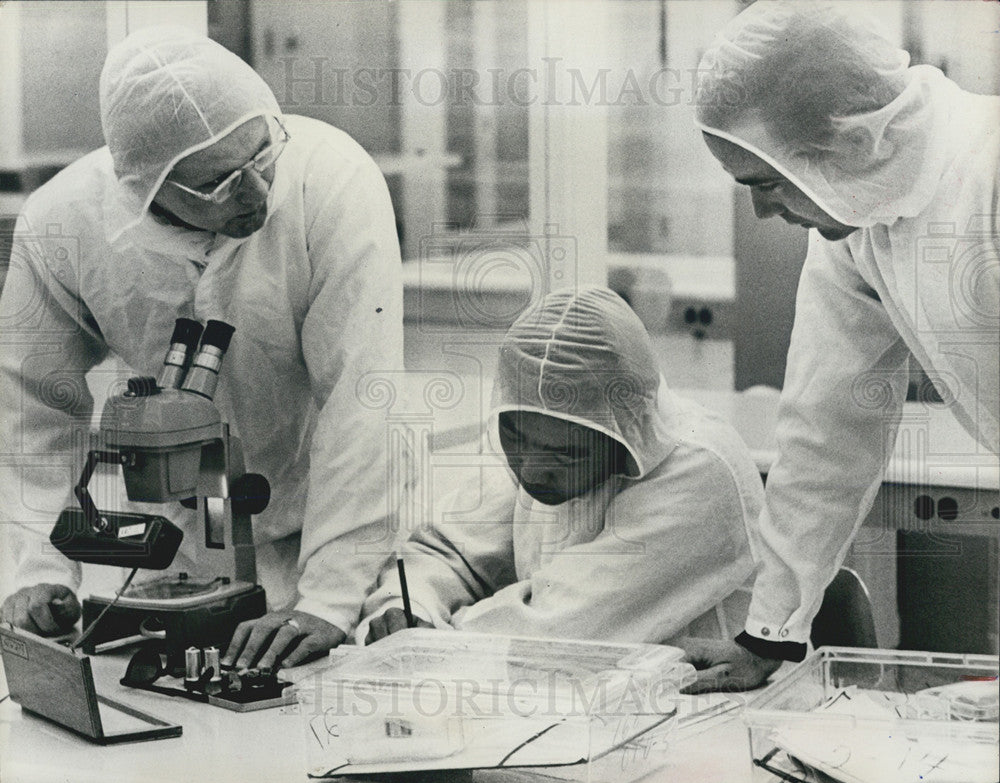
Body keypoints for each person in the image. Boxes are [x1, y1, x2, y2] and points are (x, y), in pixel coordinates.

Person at [0, 27, 404, 669]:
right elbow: (33, 410)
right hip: (182, 543)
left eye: (261, 156)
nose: (256, 195)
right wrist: (35, 568)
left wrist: (328, 600)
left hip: (326, 526)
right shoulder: (63, 225)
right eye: (216, 184)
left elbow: (360, 397)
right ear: (144, 190)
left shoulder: (329, 180)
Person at [682, 0, 999, 690]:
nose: (763, 212)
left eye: (763, 183)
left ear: (845, 139)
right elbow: (826, 430)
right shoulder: (857, 223)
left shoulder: (988, 172)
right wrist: (770, 633)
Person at [361, 287, 763, 645]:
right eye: (515, 436)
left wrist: (427, 642)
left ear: (622, 430)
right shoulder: (538, 435)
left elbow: (554, 627)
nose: (532, 471)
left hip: (710, 711)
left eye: (566, 454)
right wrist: (407, 606)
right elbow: (452, 553)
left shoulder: (699, 473)